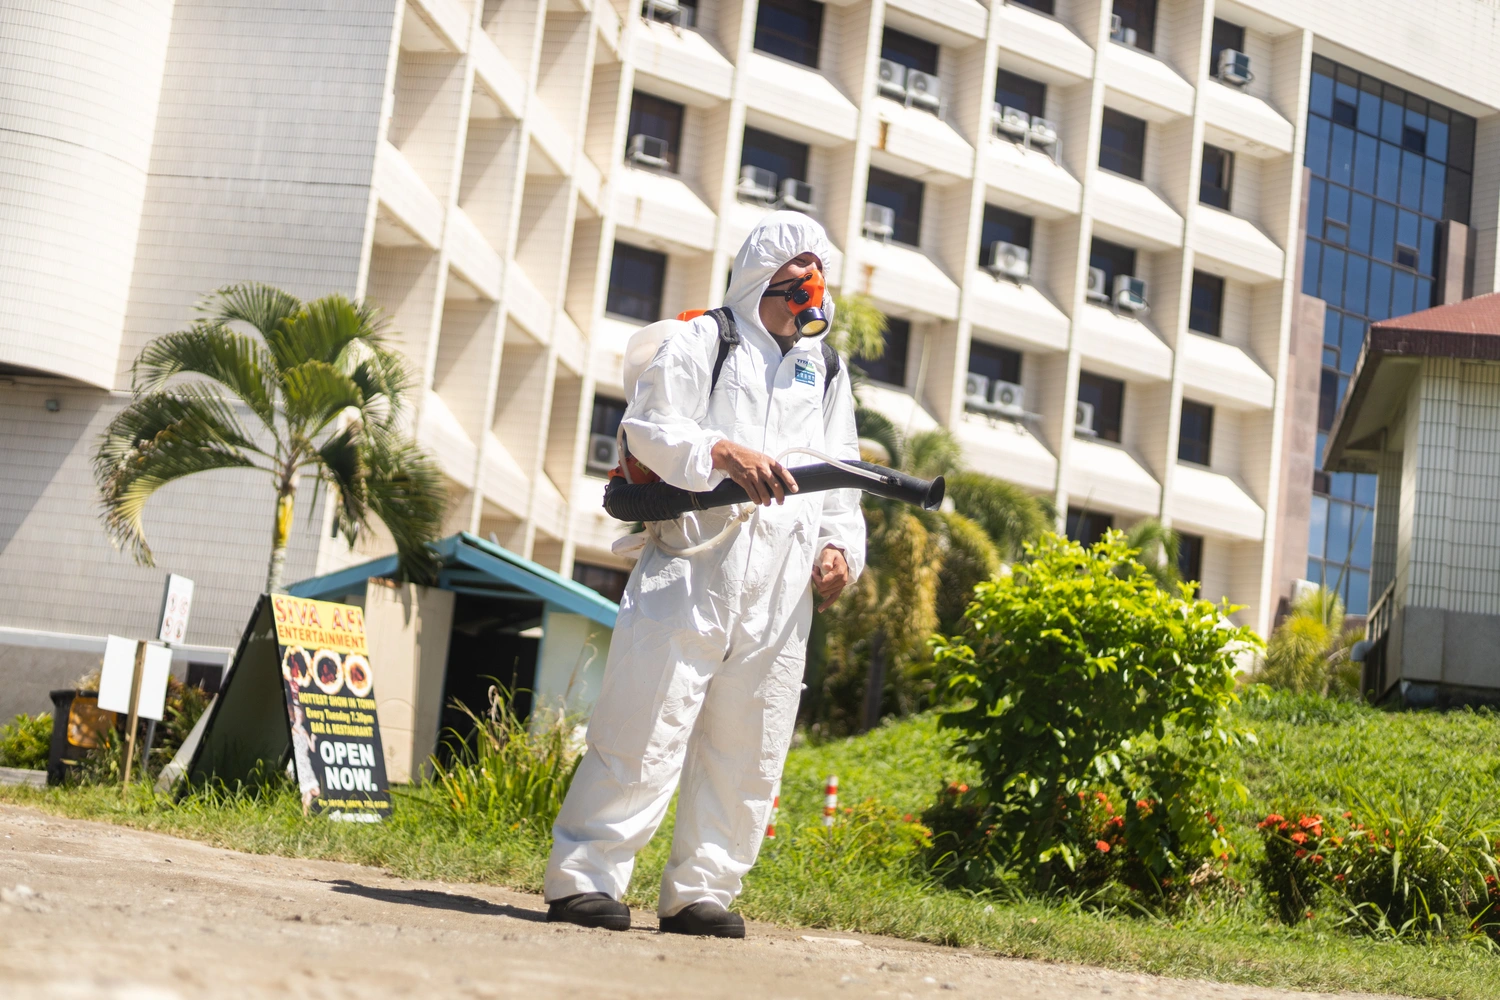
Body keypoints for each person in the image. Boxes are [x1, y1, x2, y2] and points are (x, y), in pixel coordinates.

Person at [543, 212, 866, 938]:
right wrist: (722, 452)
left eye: (815, 289)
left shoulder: (825, 370)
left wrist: (841, 548)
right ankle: (585, 878)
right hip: (693, 568)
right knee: (644, 726)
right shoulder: (705, 341)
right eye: (793, 288)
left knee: (750, 748)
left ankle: (701, 892)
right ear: (763, 282)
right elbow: (650, 428)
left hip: (781, 590)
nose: (806, 304)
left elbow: (840, 477)